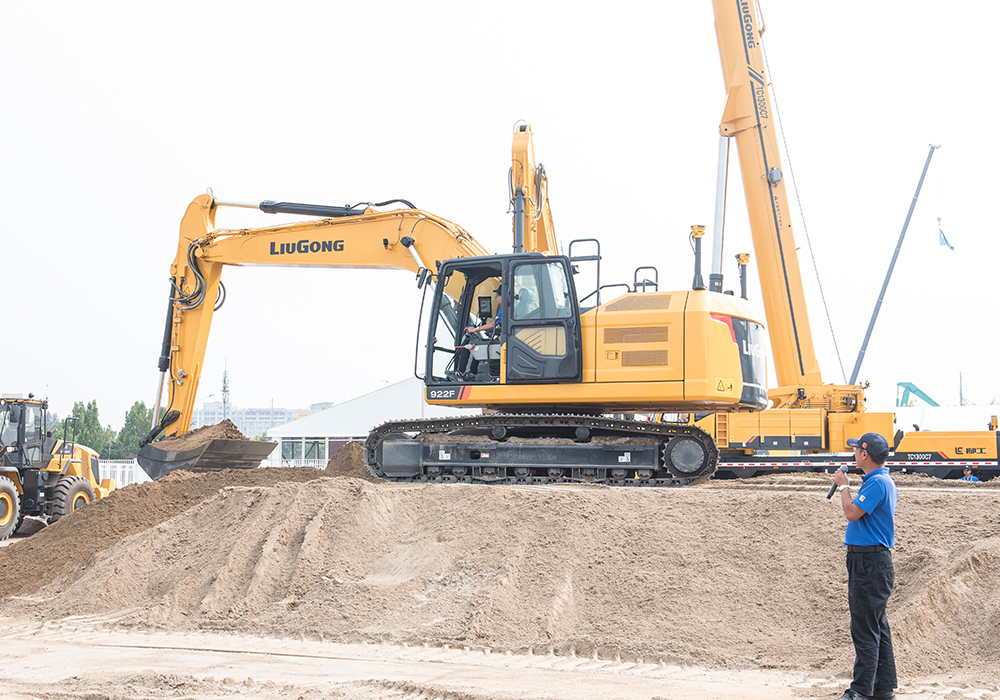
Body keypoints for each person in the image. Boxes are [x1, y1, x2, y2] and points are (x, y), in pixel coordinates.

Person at [832, 432, 898, 700]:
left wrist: (843, 486)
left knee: (865, 629)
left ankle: (860, 691)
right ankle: (882, 688)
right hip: (873, 561)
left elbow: (851, 513)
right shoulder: (881, 481)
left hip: (869, 563)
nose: (854, 453)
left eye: (856, 449)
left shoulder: (877, 483)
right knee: (877, 626)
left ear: (864, 454)